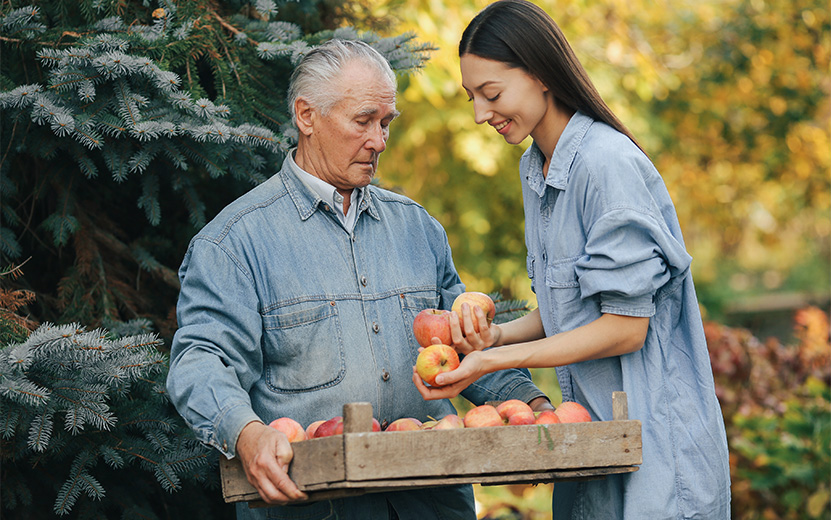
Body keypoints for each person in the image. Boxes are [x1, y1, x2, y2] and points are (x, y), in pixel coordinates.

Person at [167, 38, 553, 520]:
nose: (379, 141)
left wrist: (535, 408)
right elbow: (202, 360)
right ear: (306, 116)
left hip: (432, 505)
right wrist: (246, 433)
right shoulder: (234, 242)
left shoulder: (419, 228)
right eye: (363, 121)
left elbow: (467, 352)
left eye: (386, 123)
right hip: (314, 509)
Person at [412, 1, 732, 519]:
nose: (478, 114)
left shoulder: (607, 165)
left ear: (540, 74)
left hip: (658, 462)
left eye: (491, 95)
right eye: (471, 97)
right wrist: (497, 336)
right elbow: (573, 307)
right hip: (588, 448)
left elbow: (626, 328)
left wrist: (497, 360)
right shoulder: (536, 169)